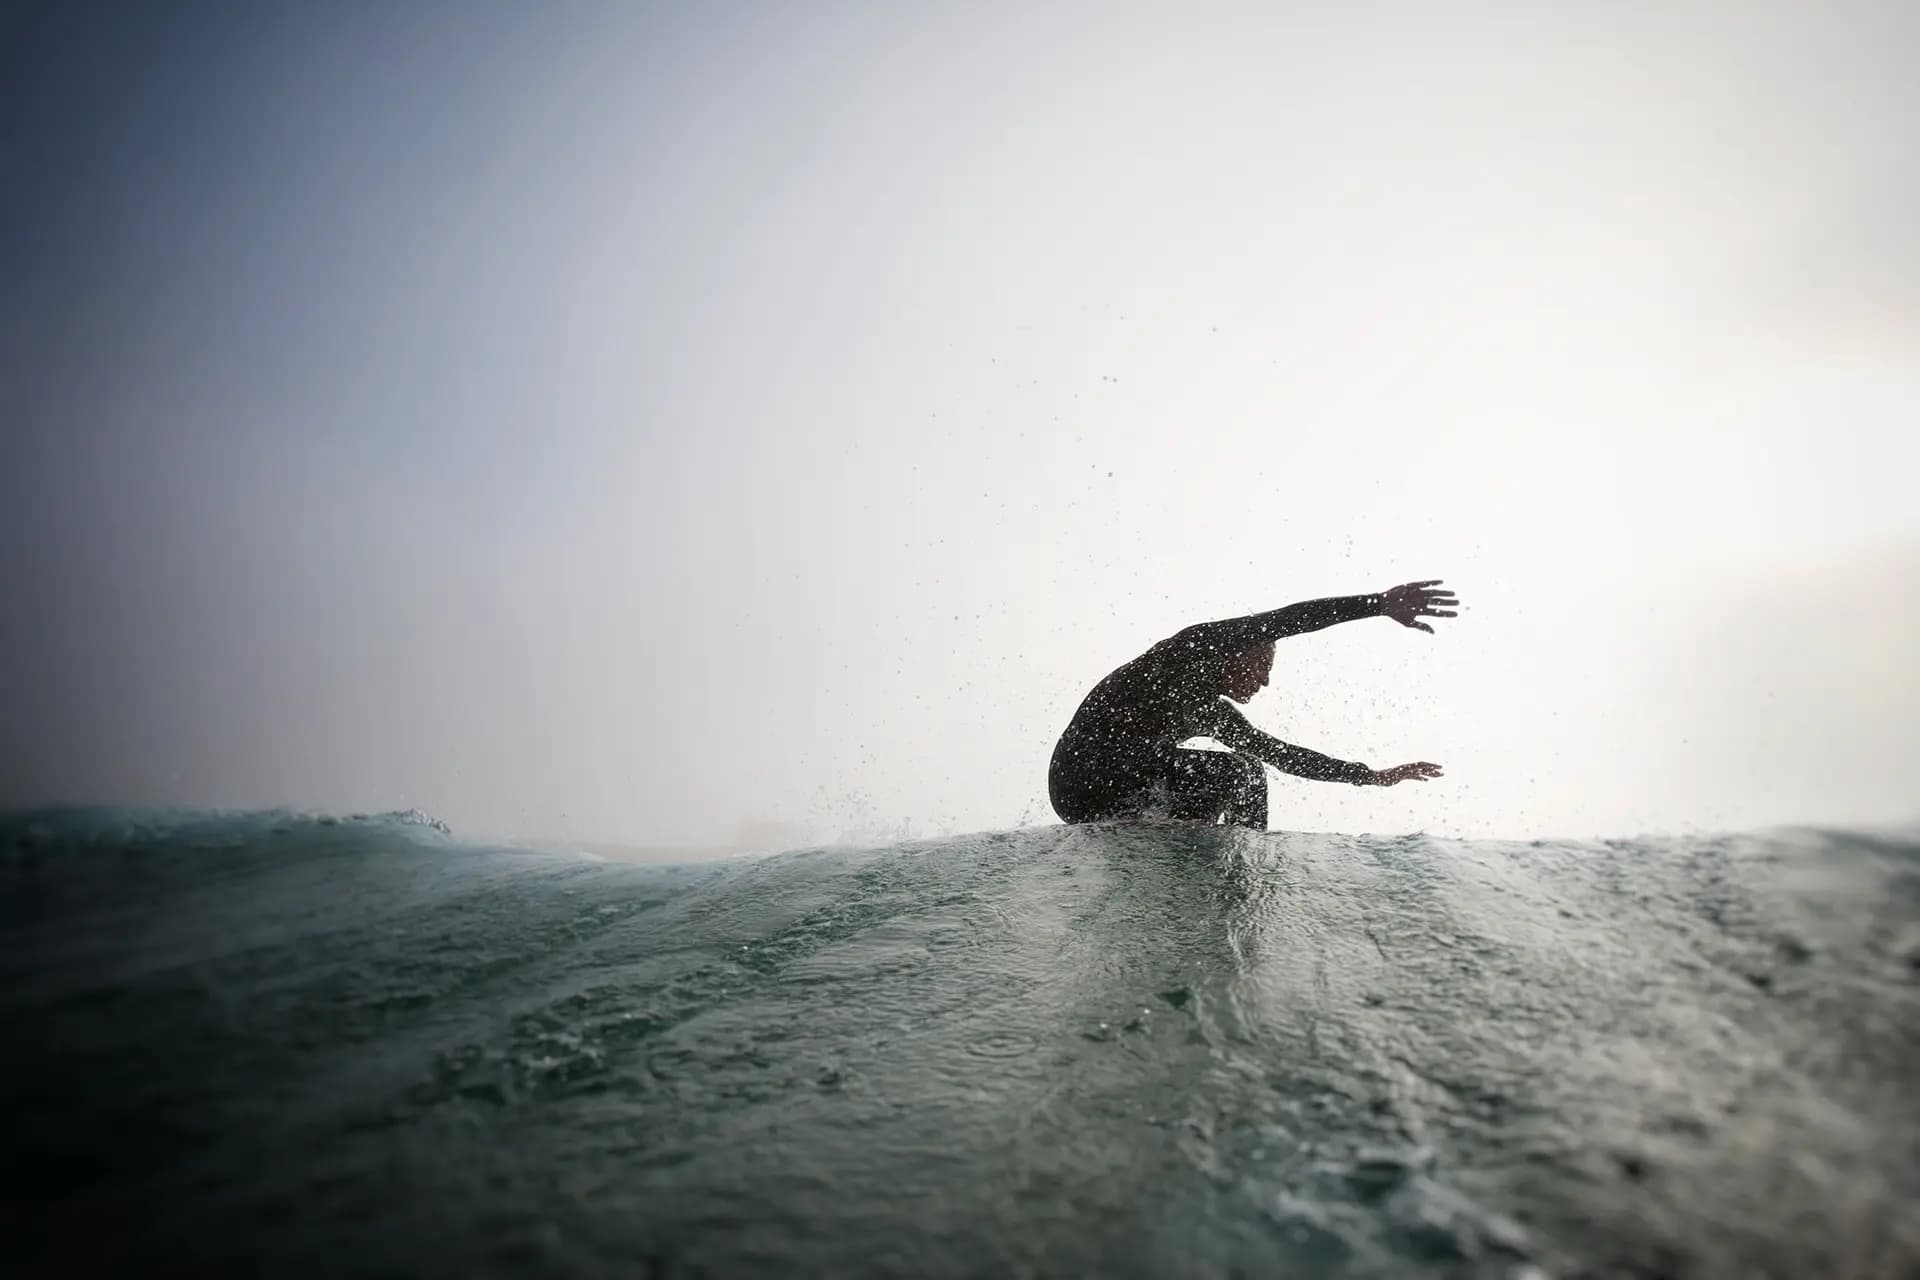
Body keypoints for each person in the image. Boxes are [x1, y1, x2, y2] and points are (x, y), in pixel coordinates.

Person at [1048, 581, 1458, 828]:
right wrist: (1377, 604)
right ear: (1236, 651)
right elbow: (1285, 619)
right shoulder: (1186, 652)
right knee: (1240, 771)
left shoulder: (1210, 711)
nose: (1264, 680)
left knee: (1244, 769)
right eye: (1262, 665)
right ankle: (1239, 856)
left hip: (1127, 791)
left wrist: (1372, 777)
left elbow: (1283, 755)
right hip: (1079, 779)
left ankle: (1213, 859)